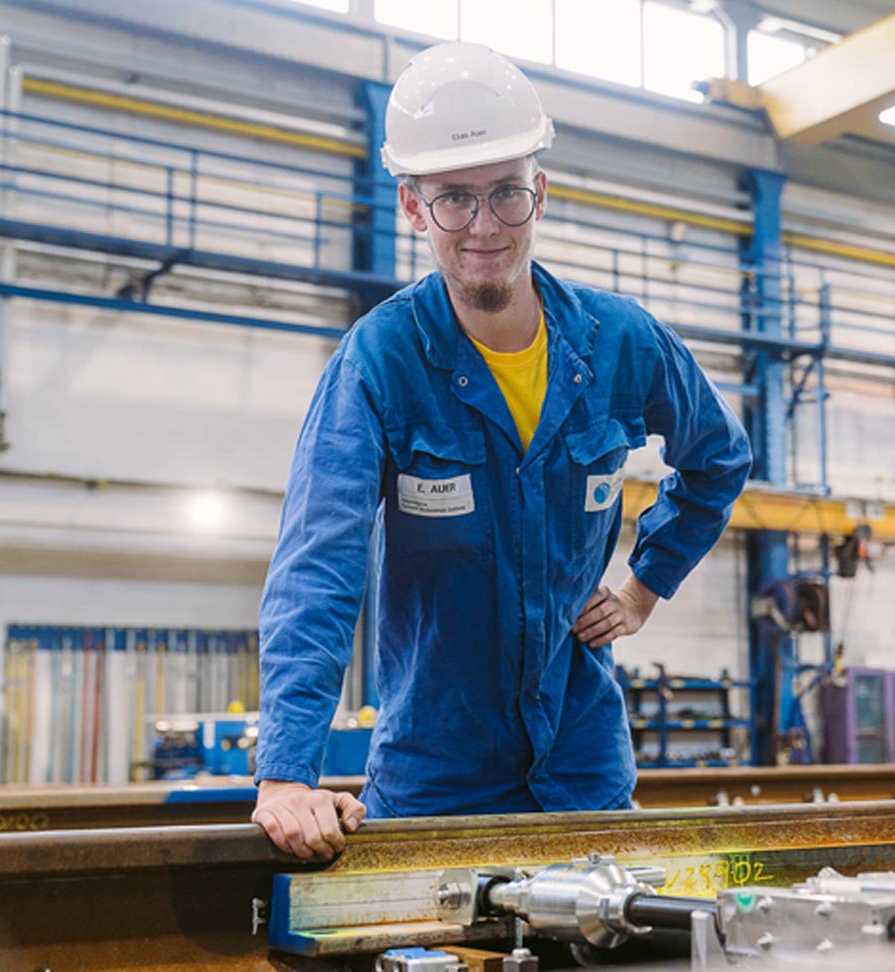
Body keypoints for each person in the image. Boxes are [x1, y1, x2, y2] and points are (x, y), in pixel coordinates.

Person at [250, 42, 752, 861]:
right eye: (454, 200)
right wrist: (287, 771)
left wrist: (643, 587)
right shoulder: (379, 364)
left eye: (505, 195)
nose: (483, 227)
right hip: (435, 775)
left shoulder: (621, 343)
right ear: (414, 207)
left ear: (539, 193)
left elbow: (718, 462)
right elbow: (319, 566)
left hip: (584, 770)